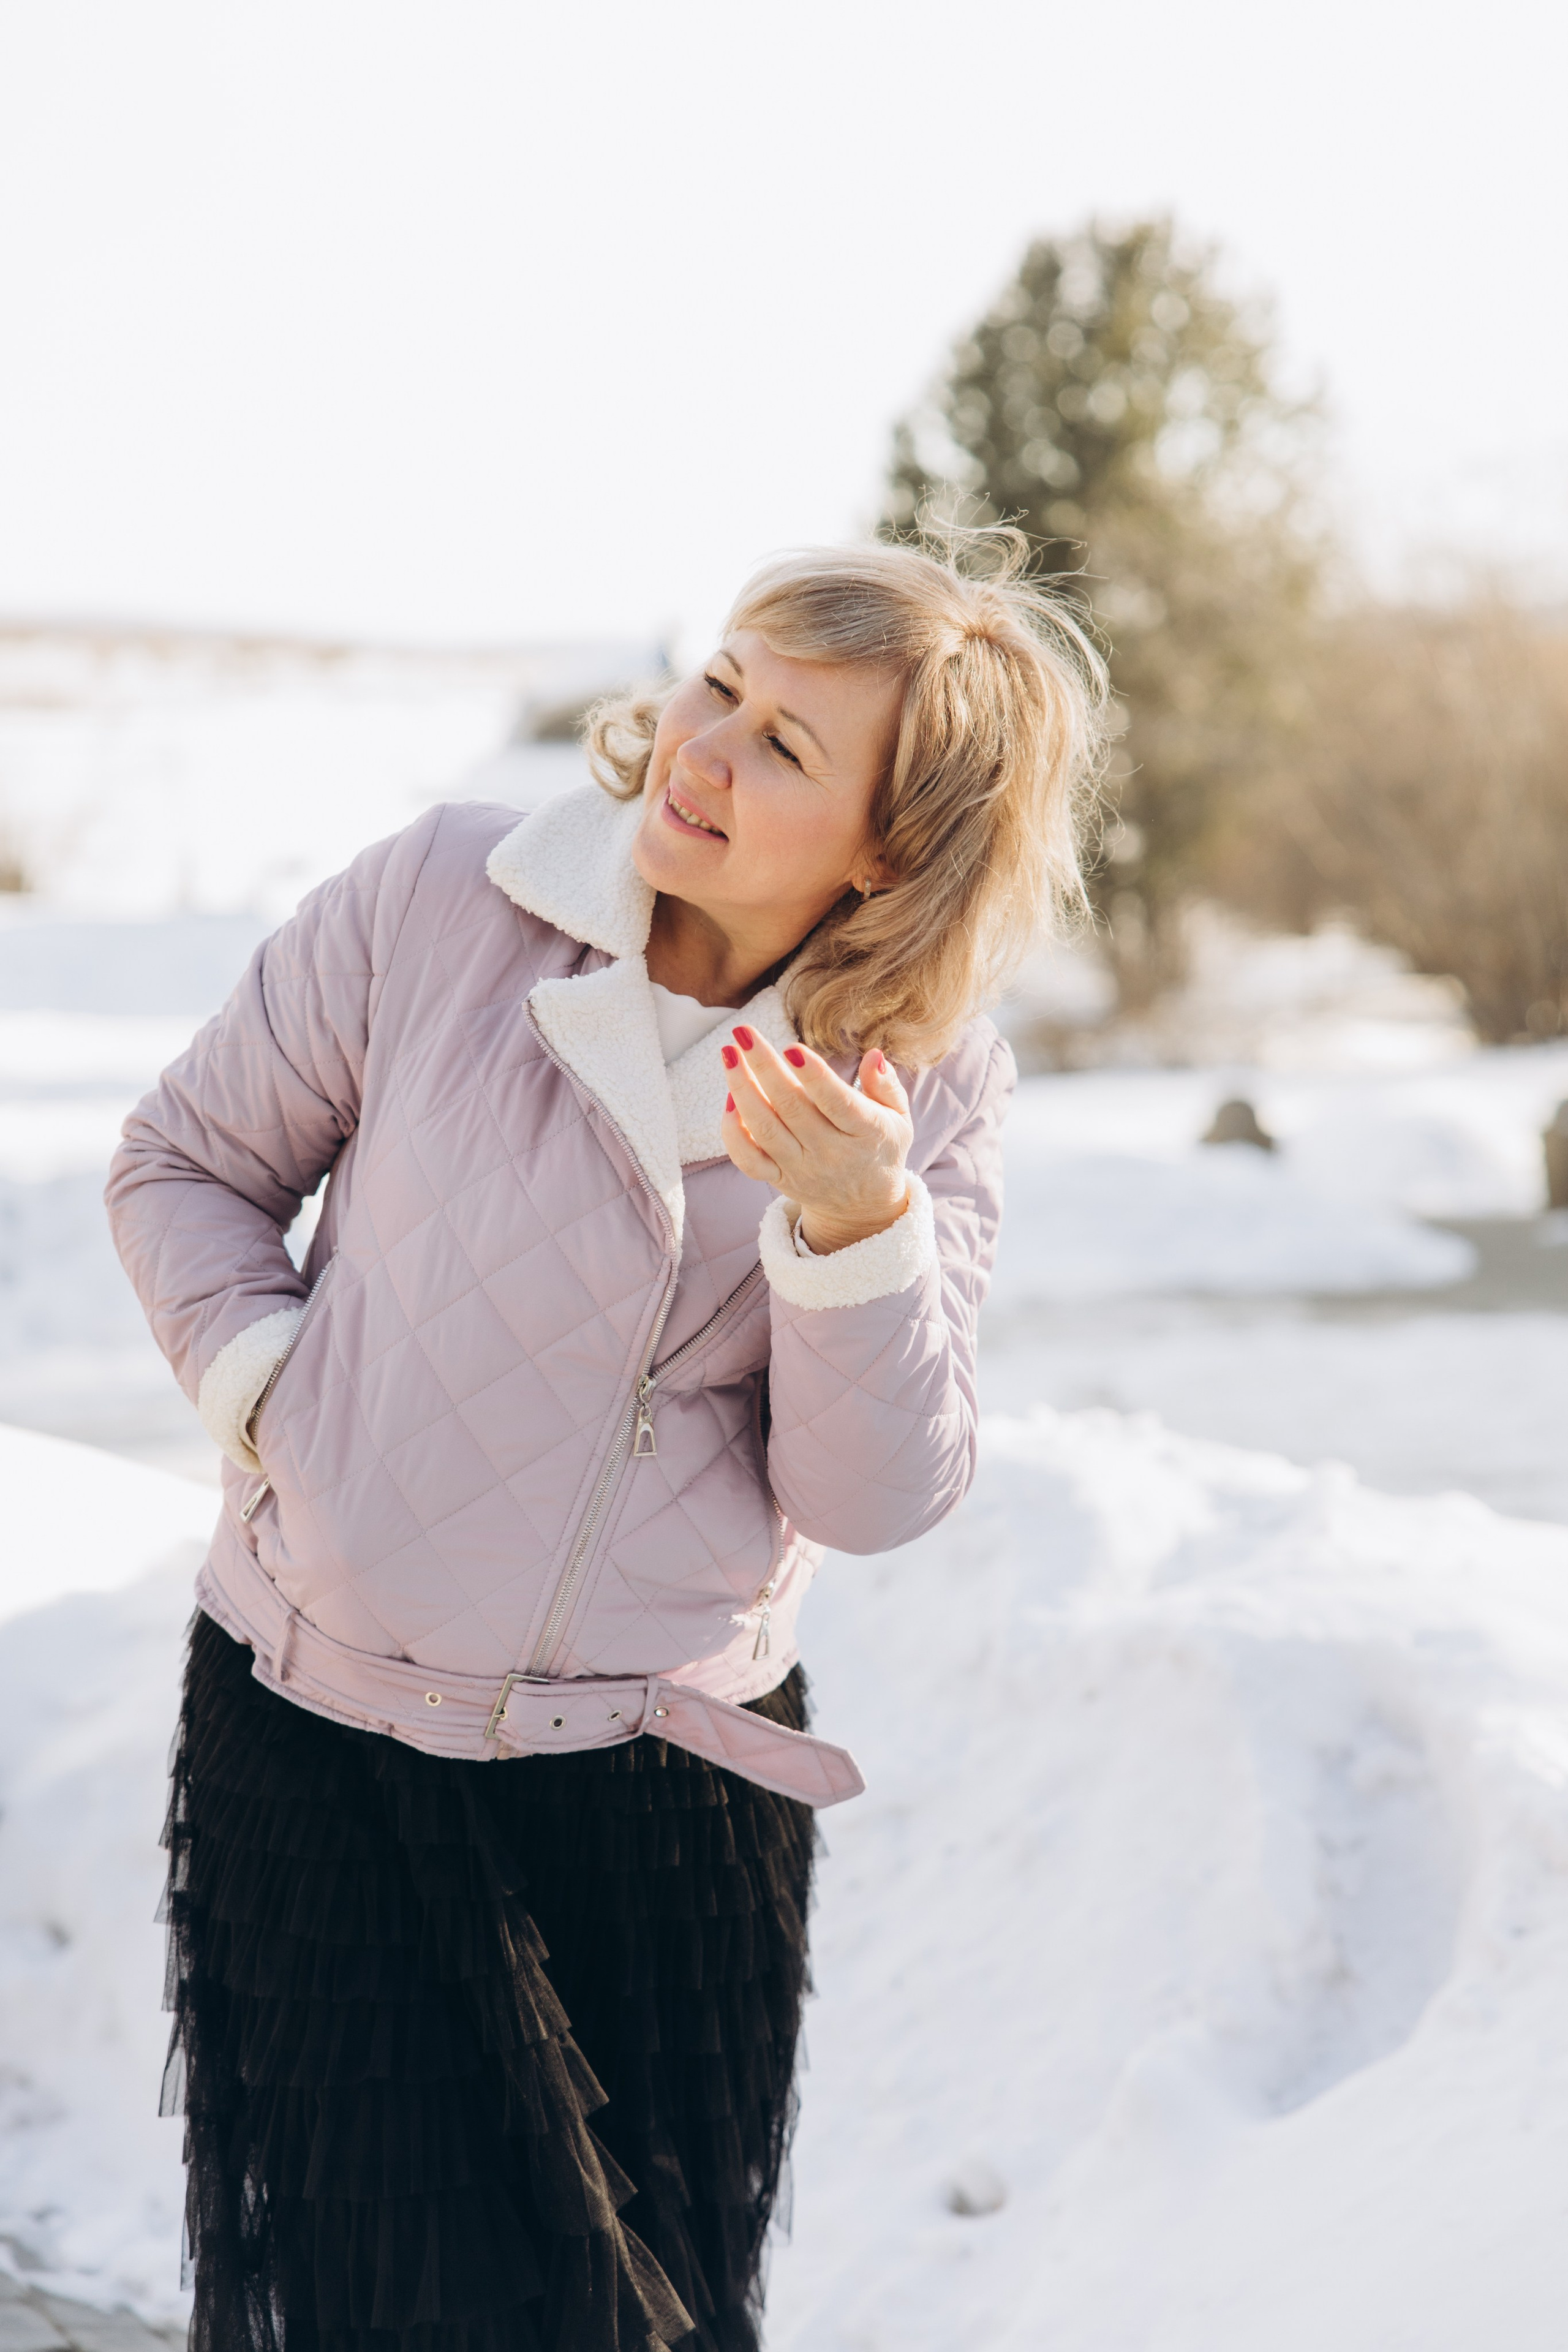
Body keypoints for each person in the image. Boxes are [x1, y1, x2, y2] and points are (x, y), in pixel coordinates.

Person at [107, 533, 1104, 2352]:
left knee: (636, 2317)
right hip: (317, 1739)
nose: (704, 751)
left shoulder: (918, 1084)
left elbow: (871, 1499)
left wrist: (852, 1234)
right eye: (722, 683)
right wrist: (280, 1406)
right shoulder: (440, 898)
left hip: (661, 1810)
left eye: (791, 747)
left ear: (893, 847)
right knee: (385, 2307)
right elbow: (185, 1166)